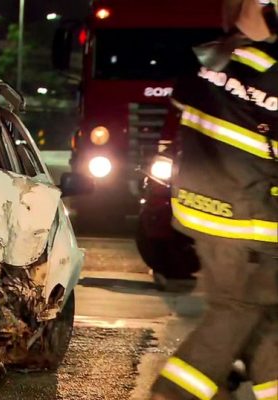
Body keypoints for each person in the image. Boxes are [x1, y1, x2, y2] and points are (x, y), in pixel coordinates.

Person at [150, 0, 278, 399]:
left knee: (266, 318)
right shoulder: (273, 72)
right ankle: (172, 395)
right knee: (236, 311)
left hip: (203, 210)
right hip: (246, 221)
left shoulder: (208, 59)